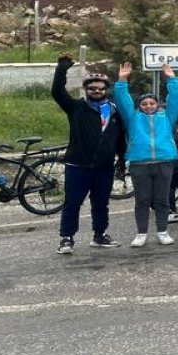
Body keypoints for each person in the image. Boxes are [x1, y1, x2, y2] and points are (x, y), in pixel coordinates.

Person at [51, 54, 127, 254]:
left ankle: (99, 235)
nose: (97, 91)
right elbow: (57, 92)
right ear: (86, 89)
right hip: (78, 165)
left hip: (104, 167)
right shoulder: (76, 107)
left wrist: (121, 159)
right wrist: (62, 69)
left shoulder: (114, 111)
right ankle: (67, 238)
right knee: (73, 203)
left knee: (101, 203)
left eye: (101, 88)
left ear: (106, 90)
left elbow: (119, 138)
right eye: (92, 88)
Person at [112, 62, 178, 247]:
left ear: (158, 105)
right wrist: (122, 80)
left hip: (164, 162)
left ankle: (163, 231)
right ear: (139, 106)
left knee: (162, 200)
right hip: (139, 163)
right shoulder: (132, 118)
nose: (149, 106)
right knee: (142, 200)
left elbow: (176, 99)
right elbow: (122, 101)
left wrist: (172, 78)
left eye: (152, 103)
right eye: (144, 103)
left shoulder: (167, 117)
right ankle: (141, 233)